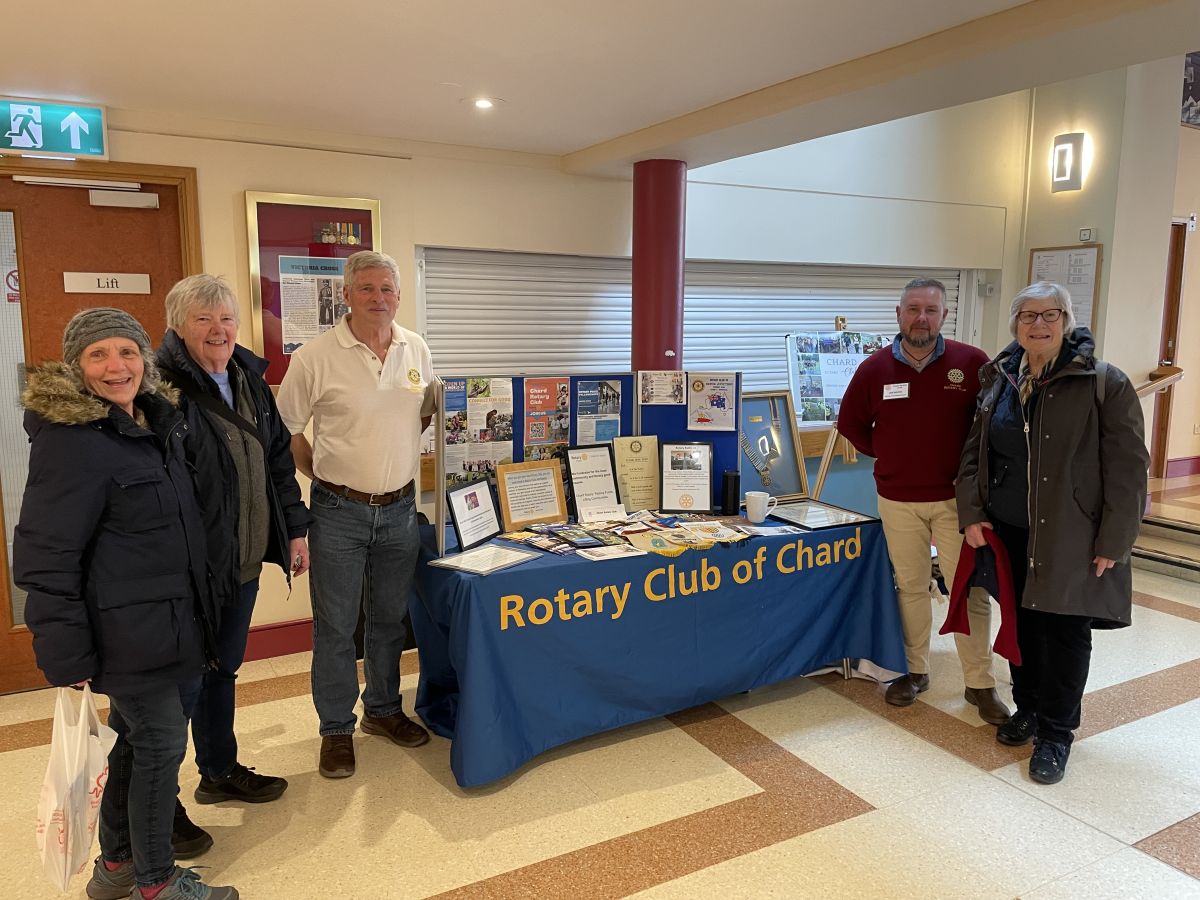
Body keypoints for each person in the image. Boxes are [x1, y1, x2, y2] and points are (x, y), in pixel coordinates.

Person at [14, 308, 238, 900]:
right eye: (99, 354)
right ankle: (156, 881)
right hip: (126, 636)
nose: (117, 366)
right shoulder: (70, 443)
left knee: (137, 745)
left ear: (145, 359)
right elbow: (45, 558)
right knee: (161, 745)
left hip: (177, 625)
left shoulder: (154, 423)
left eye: (128, 352)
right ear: (76, 367)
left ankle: (117, 866)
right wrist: (66, 653)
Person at [957, 282, 1147, 784]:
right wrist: (972, 513)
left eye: (1050, 314)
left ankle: (1057, 733)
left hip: (1073, 535)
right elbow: (974, 453)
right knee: (1021, 626)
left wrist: (1115, 540)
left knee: (1064, 633)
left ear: (1066, 321)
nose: (1038, 324)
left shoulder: (1103, 382)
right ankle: (1029, 707)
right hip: (1009, 531)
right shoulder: (1000, 377)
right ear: (1015, 324)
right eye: (1028, 315)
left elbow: (1129, 469)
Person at [155, 275, 311, 833]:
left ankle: (218, 770)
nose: (218, 330)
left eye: (226, 318)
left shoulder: (248, 378)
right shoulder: (160, 389)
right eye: (203, 319)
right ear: (178, 326)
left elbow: (278, 462)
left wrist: (295, 530)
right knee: (177, 687)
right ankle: (158, 807)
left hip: (241, 562)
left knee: (222, 670)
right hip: (189, 571)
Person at [277, 250, 436, 779]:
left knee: (390, 620)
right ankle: (335, 729)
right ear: (345, 295)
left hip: (400, 510)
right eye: (366, 288)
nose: (378, 298)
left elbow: (423, 414)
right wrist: (324, 477)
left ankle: (383, 710)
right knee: (337, 627)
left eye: (387, 289)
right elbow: (287, 431)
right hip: (337, 513)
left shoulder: (415, 348)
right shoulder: (314, 357)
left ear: (399, 295)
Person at [838, 278, 1009, 723]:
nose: (921, 318)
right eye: (913, 309)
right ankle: (914, 670)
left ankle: (980, 682)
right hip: (897, 498)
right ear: (899, 314)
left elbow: (993, 425)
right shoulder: (874, 369)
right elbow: (851, 424)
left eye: (931, 310)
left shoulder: (971, 363)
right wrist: (889, 453)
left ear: (944, 316)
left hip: (958, 502)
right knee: (910, 586)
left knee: (967, 589)